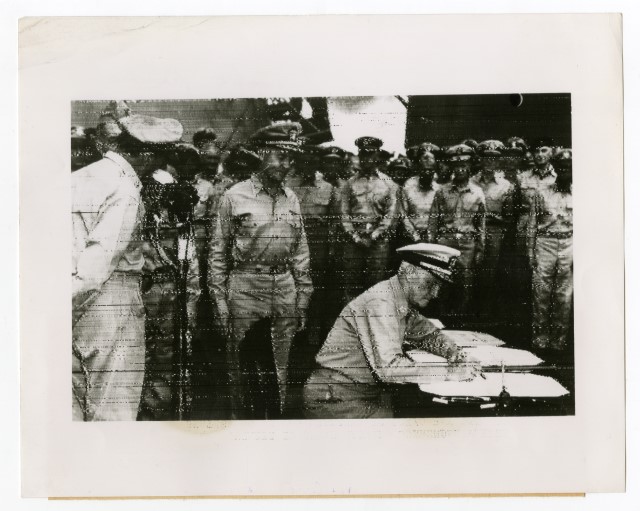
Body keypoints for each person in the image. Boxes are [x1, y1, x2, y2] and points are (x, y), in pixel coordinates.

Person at [72, 107, 183, 421]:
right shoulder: (124, 190)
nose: (160, 168)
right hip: (108, 302)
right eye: (160, 159)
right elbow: (96, 267)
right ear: (146, 154)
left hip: (74, 300)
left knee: (76, 404)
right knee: (114, 408)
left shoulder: (81, 177)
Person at [208, 120, 313, 419]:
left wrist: (303, 297)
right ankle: (240, 423)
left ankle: (273, 422)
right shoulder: (234, 196)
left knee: (279, 364)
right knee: (242, 365)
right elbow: (217, 254)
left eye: (291, 158)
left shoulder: (291, 198)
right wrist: (219, 302)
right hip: (246, 288)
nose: (287, 164)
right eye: (281, 156)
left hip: (284, 288)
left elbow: (301, 251)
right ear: (263, 153)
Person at [303, 243, 478, 419]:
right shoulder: (381, 302)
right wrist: (449, 373)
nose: (435, 293)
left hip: (358, 391)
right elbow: (390, 369)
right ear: (408, 272)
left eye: (438, 285)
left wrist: (454, 353)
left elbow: (427, 334)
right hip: (335, 397)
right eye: (430, 283)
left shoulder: (399, 298)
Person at [137, 167, 201, 420]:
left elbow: (190, 266)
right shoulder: (136, 216)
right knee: (139, 353)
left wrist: (191, 305)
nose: (159, 198)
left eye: (164, 193)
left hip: (172, 293)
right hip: (143, 292)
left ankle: (157, 412)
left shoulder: (179, 221)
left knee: (168, 354)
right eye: (155, 192)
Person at [427, 144, 486, 319]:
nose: (460, 169)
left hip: (467, 244)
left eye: (464, 165)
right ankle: (442, 317)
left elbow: (481, 224)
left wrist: (480, 249)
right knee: (442, 281)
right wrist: (431, 246)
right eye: (456, 166)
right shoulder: (442, 192)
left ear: (470, 167)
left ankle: (461, 319)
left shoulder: (477, 193)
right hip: (445, 241)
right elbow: (433, 220)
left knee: (465, 283)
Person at [340, 136, 400, 301]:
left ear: (377, 156)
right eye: (363, 155)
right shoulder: (349, 184)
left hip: (378, 243)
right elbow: (344, 214)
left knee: (375, 286)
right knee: (352, 285)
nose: (366, 159)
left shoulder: (389, 184)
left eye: (371, 154)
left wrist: (374, 236)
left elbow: (390, 215)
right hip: (354, 241)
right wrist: (355, 237)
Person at [527, 148, 573, 357]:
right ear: (555, 168)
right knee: (541, 292)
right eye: (561, 168)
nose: (565, 171)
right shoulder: (542, 192)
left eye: (568, 168)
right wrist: (530, 252)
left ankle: (559, 341)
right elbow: (532, 224)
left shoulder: (582, 193)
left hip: (569, 243)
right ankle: (540, 338)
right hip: (545, 243)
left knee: (564, 295)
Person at [472, 140, 515, 319]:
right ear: (480, 159)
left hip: (493, 232)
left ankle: (485, 312)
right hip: (471, 231)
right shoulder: (470, 181)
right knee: (468, 269)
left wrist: (492, 218)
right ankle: (466, 311)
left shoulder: (506, 186)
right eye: (486, 158)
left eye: (494, 158)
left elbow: (509, 217)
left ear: (499, 161)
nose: (490, 162)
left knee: (489, 272)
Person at [402, 148, 440, 243]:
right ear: (419, 170)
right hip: (411, 238)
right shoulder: (408, 187)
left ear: (434, 171)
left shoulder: (439, 190)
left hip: (433, 238)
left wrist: (431, 237)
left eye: (430, 170)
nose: (427, 173)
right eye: (424, 170)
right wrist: (415, 237)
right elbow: (403, 215)